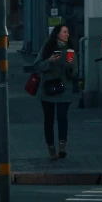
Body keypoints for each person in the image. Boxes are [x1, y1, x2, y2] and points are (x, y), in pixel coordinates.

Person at [34, 24, 78, 160]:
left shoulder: (70, 50)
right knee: (49, 120)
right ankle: (51, 147)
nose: (67, 34)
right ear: (57, 34)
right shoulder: (47, 48)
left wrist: (70, 66)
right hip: (47, 90)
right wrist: (50, 61)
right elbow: (37, 65)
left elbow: (75, 72)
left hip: (64, 90)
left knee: (62, 117)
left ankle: (62, 146)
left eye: (68, 32)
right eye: (64, 32)